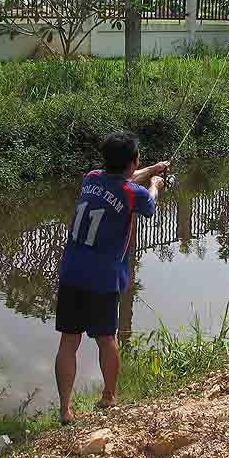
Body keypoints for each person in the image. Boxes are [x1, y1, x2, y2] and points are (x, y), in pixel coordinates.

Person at [54, 131, 169, 424]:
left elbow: (123, 179)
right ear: (133, 161)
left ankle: (65, 410)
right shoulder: (135, 194)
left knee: (69, 340)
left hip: (70, 273)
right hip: (103, 278)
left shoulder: (91, 178)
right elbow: (149, 205)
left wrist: (152, 169)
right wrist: (155, 183)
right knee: (107, 339)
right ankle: (108, 397)